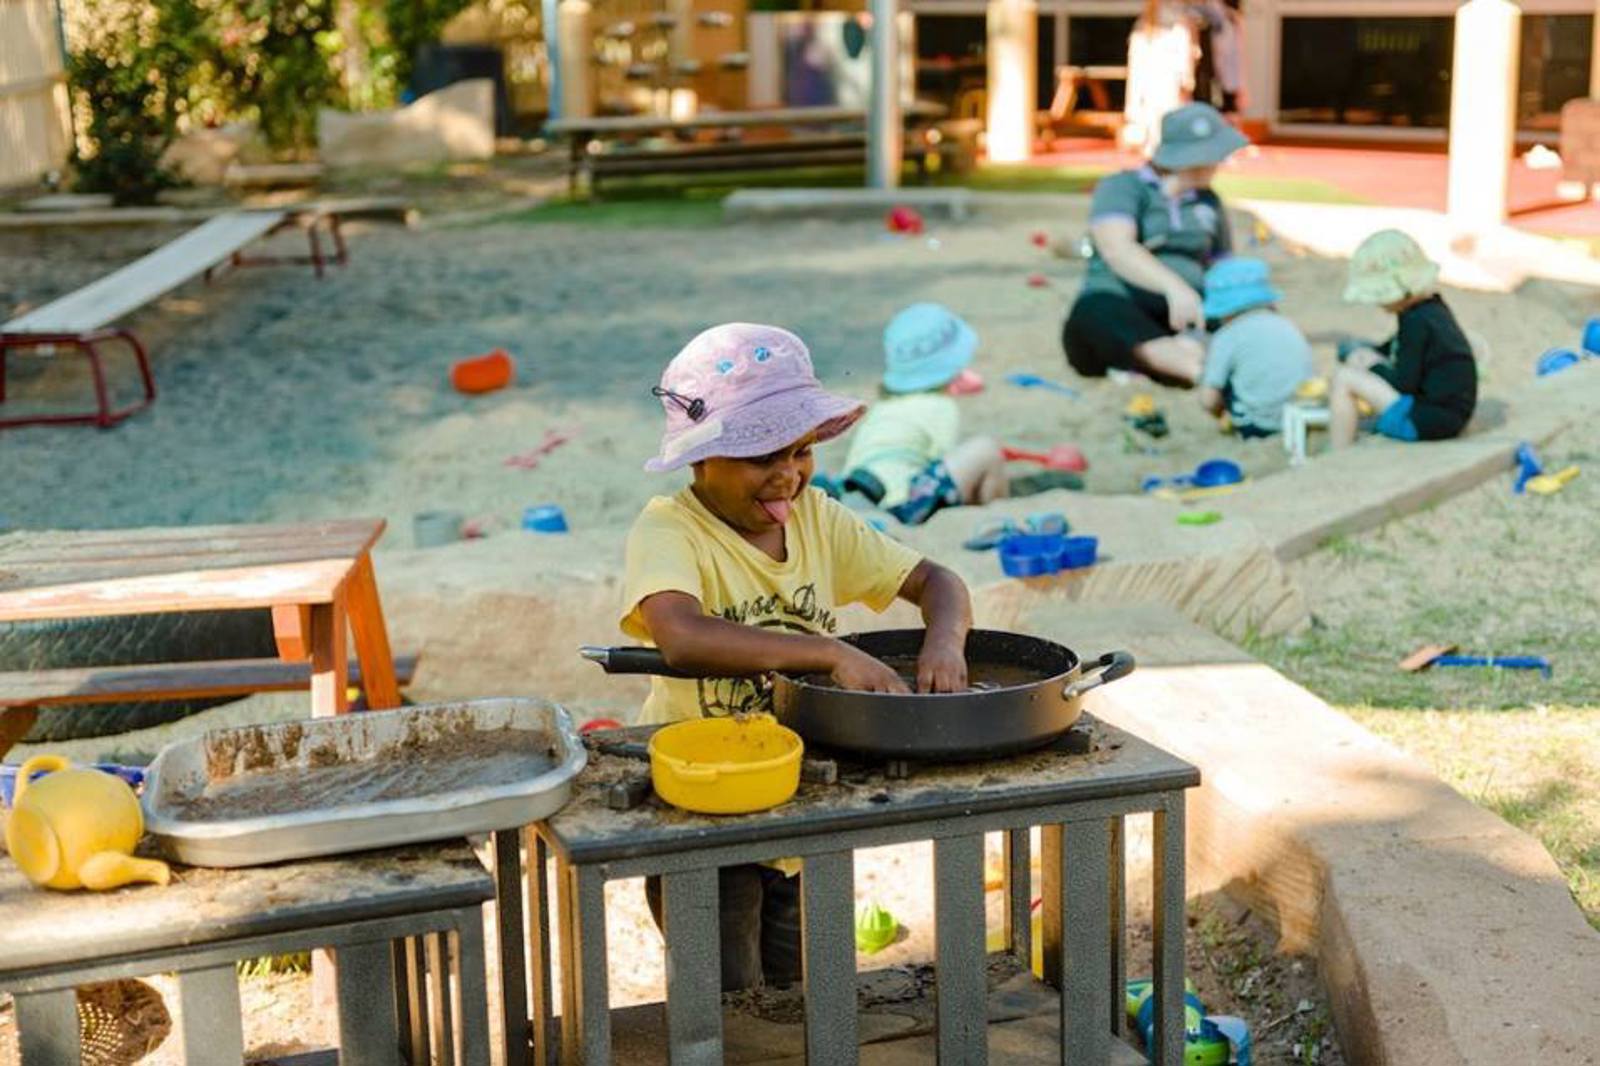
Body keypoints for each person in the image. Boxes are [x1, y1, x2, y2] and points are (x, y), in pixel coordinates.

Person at [621, 322, 974, 990]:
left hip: (800, 800)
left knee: (802, 993)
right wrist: (826, 652)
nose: (788, 474)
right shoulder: (671, 528)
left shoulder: (816, 515)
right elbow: (682, 636)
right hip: (704, 810)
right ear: (702, 460)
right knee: (728, 1007)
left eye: (803, 450)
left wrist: (945, 643)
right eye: (762, 457)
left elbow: (940, 583)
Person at [1062, 102, 1247, 386]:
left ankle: (1196, 362)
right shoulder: (1123, 187)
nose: (1219, 162)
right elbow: (1117, 249)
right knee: (1102, 317)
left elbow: (1223, 264)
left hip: (1187, 316)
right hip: (1118, 302)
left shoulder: (1209, 201)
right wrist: (1174, 287)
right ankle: (1204, 375)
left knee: (1242, 324)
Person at [837, 303, 1007, 525]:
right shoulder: (939, 406)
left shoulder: (883, 407)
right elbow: (941, 462)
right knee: (987, 449)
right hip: (905, 503)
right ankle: (995, 516)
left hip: (862, 496)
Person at [1329, 229, 1476, 448]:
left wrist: (1373, 366)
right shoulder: (1432, 310)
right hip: (1451, 417)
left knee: (1344, 378)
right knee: (1359, 362)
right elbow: (1399, 348)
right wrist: (1375, 354)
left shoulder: (1415, 323)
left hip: (1426, 423)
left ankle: (1338, 449)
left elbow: (1403, 383)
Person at [1195, 256, 1313, 437]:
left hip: (1260, 425)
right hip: (1302, 414)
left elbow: (1208, 400)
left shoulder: (1227, 335)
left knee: (1219, 380)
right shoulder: (1286, 324)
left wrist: (1219, 411)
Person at [1122, 0, 1197, 155]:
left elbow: (1135, 65)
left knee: (1158, 131)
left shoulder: (1146, 27)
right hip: (1163, 83)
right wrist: (1187, 78)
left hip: (1157, 85)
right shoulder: (1175, 25)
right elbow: (1183, 59)